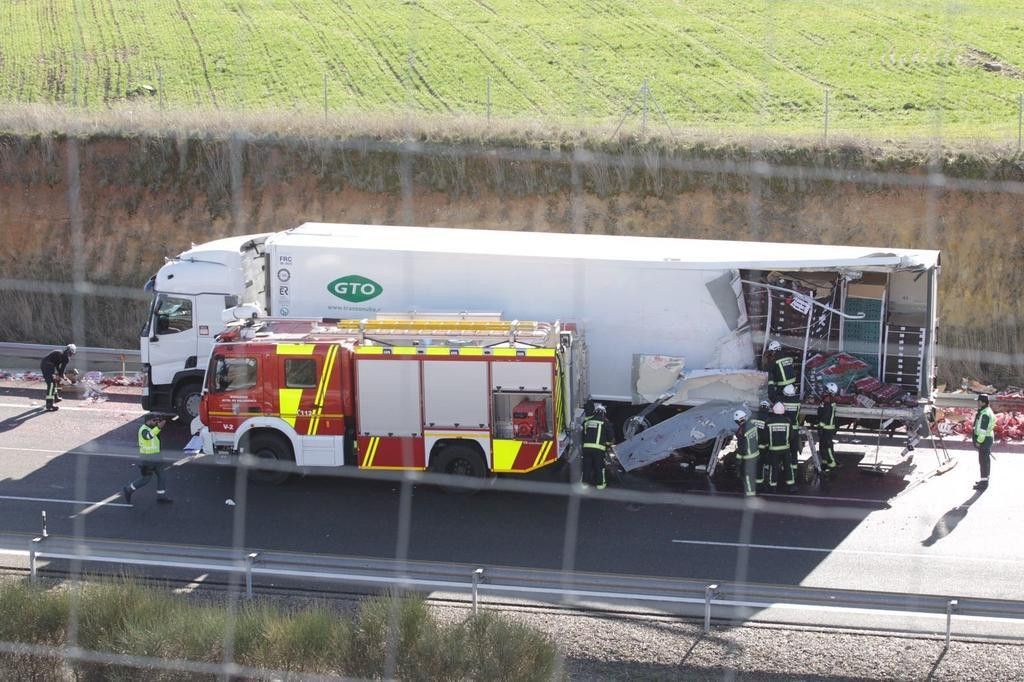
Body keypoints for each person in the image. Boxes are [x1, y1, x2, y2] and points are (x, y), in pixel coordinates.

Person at [123, 414, 173, 505]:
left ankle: (161, 496)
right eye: (154, 420)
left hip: (157, 457)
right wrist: (159, 427)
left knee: (162, 476)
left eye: (157, 420)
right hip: (148, 459)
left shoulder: (152, 428)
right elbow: (148, 436)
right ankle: (128, 489)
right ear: (148, 421)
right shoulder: (144, 430)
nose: (156, 422)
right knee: (146, 479)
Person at [582, 402, 614, 489]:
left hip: (586, 448)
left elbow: (583, 434)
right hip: (598, 449)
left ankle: (584, 484)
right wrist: (608, 443)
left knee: (586, 466)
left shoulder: (587, 421)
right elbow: (610, 434)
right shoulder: (604, 422)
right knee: (599, 467)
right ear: (604, 413)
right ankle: (600, 485)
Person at [40, 343, 76, 411]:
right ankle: (49, 404)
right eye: (71, 353)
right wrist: (66, 380)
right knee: (51, 384)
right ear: (71, 352)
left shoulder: (60, 353)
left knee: (54, 381)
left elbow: (58, 369)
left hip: (48, 366)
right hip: (47, 367)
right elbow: (61, 371)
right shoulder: (66, 357)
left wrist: (62, 377)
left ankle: (56, 397)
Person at [765, 402, 792, 491]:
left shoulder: (769, 422)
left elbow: (766, 437)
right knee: (788, 467)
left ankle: (773, 486)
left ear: (773, 411)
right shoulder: (788, 421)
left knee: (774, 467)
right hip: (785, 448)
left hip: (774, 449)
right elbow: (791, 435)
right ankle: (791, 486)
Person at [733, 410, 760, 497]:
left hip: (748, 457)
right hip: (756, 453)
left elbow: (741, 448)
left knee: (747, 475)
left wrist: (738, 460)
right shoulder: (752, 425)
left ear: (737, 420)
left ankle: (750, 494)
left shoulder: (741, 431)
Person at [780, 384, 802, 490]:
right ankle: (794, 472)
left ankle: (784, 471)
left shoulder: (782, 402)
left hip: (786, 430)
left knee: (785, 451)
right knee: (794, 451)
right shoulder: (797, 402)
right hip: (795, 429)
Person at [973, 394, 995, 490]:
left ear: (983, 402)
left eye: (978, 401)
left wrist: (979, 441)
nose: (977, 403)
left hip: (984, 439)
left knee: (983, 461)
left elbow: (982, 429)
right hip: (987, 438)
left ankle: (984, 483)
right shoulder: (986, 411)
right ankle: (984, 479)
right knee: (986, 460)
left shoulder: (985, 413)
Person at [817, 382, 839, 472]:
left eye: (826, 389)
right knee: (823, 446)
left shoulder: (828, 400)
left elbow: (825, 415)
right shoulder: (828, 399)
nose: (824, 390)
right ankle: (825, 462)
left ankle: (832, 464)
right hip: (827, 427)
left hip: (827, 428)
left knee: (827, 447)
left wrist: (820, 426)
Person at [751, 400, 771, 487]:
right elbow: (767, 435)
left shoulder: (753, 418)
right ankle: (759, 484)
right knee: (760, 465)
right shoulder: (768, 420)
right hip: (762, 447)